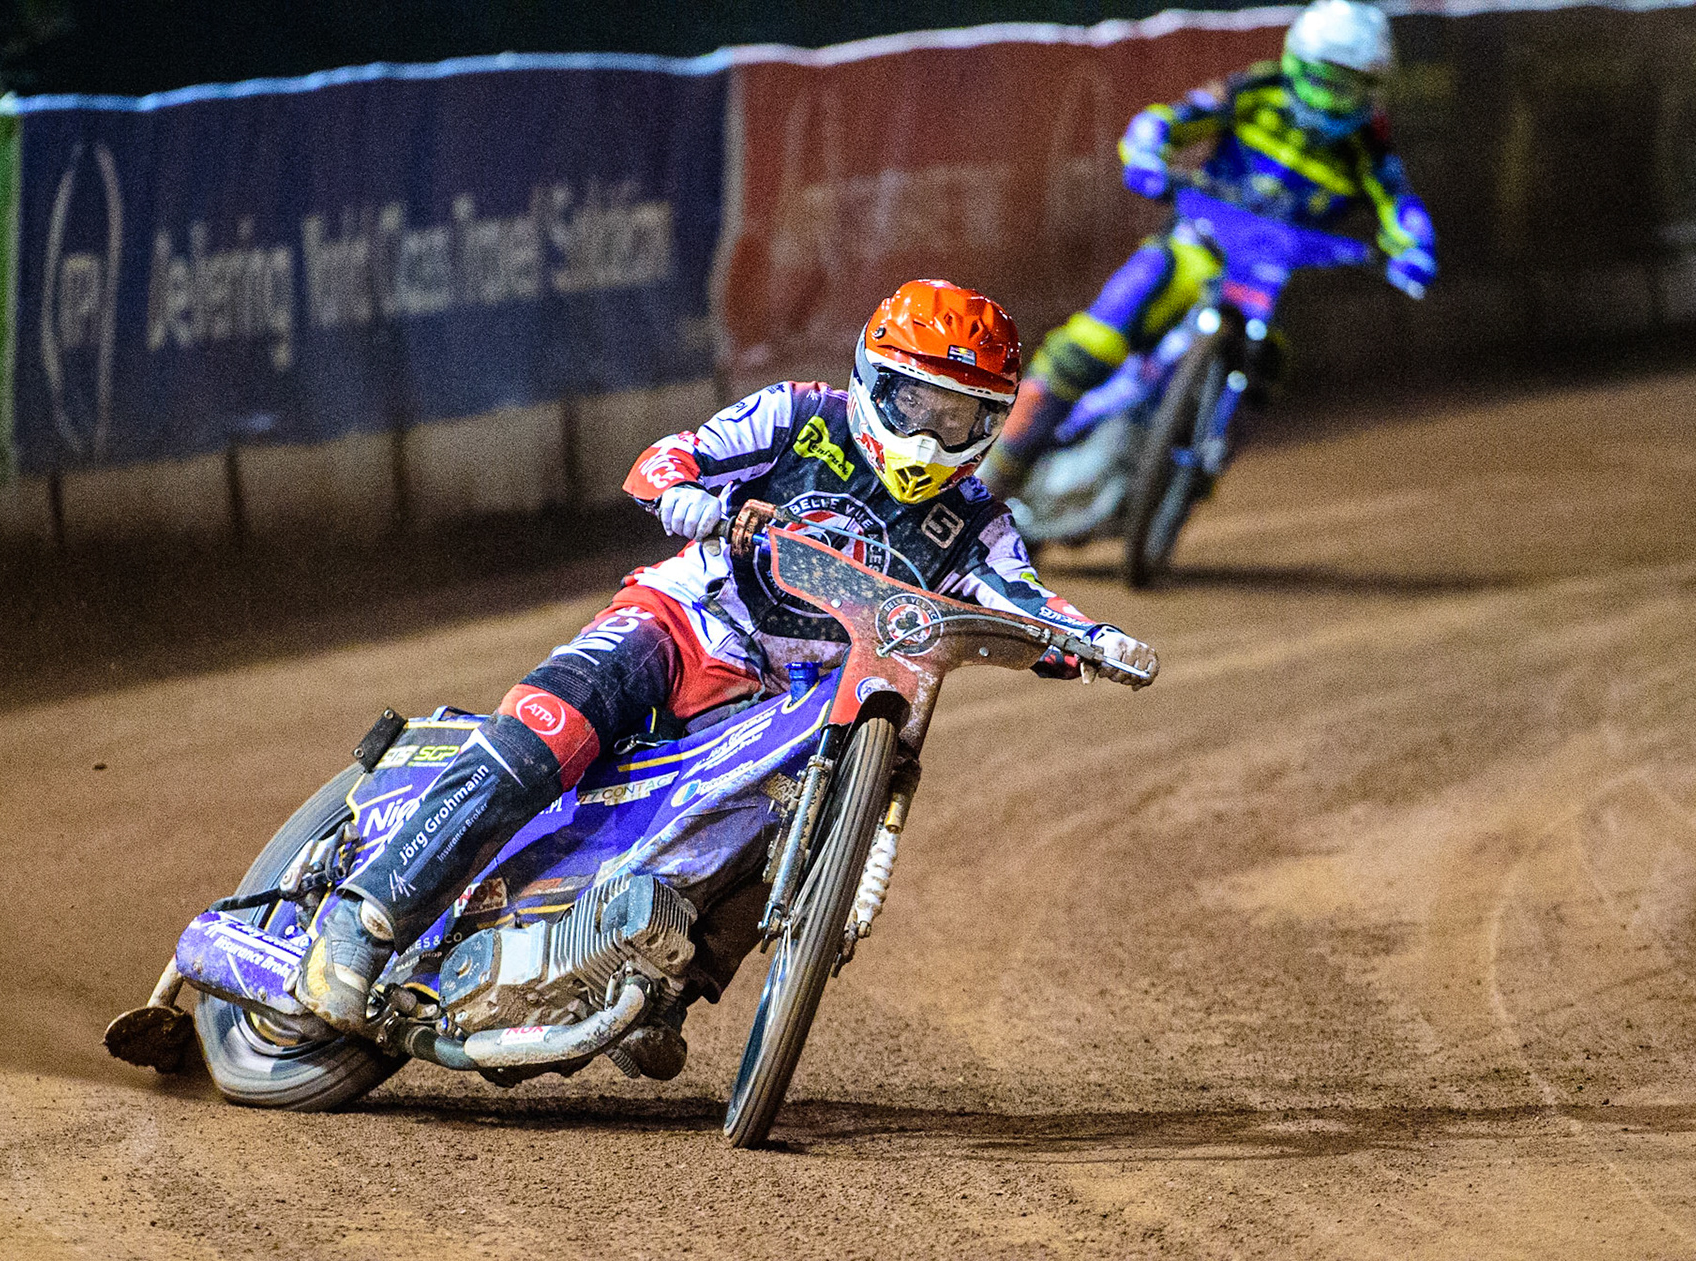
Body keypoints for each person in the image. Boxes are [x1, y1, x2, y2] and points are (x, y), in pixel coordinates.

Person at [296, 279, 1159, 1069]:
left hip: (792, 697)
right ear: (871, 379)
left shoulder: (975, 521)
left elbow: (1026, 598)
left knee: (798, 827)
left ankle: (658, 990)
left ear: (993, 423)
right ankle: (364, 919)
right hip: (689, 620)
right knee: (552, 729)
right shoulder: (796, 416)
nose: (932, 434)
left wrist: (1098, 641)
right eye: (916, 402)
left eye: (961, 417)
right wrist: (698, 505)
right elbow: (663, 463)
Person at [980, 0, 1436, 499]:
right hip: (1195, 245)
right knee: (1091, 342)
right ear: (1298, 63)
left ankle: (1197, 471)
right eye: (1325, 80)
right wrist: (1147, 153)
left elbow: (1401, 205)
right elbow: (1169, 119)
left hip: (1270, 281)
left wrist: (1414, 249)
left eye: (1349, 89)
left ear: (1373, 93)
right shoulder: (1256, 92)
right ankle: (997, 477)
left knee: (1270, 369)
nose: (1331, 101)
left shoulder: (1370, 147)